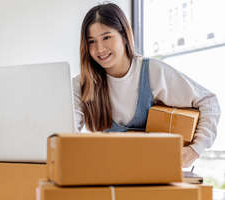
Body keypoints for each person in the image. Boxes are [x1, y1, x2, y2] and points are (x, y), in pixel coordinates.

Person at [73, 3, 221, 167]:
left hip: (155, 173)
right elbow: (67, 133)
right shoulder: (82, 84)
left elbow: (209, 102)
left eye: (106, 37)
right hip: (110, 174)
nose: (99, 48)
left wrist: (195, 150)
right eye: (91, 41)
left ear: (124, 35)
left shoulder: (151, 71)